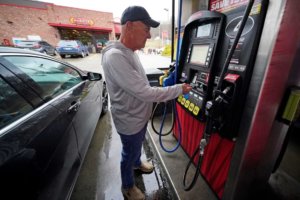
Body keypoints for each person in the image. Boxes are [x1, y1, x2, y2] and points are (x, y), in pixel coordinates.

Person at [101, 6, 192, 200]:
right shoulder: (115, 57)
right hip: (129, 121)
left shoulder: (129, 52)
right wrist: (178, 89)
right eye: (146, 29)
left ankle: (136, 163)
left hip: (138, 118)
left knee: (135, 147)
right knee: (129, 151)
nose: (149, 36)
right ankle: (128, 186)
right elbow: (145, 92)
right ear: (129, 26)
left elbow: (139, 84)